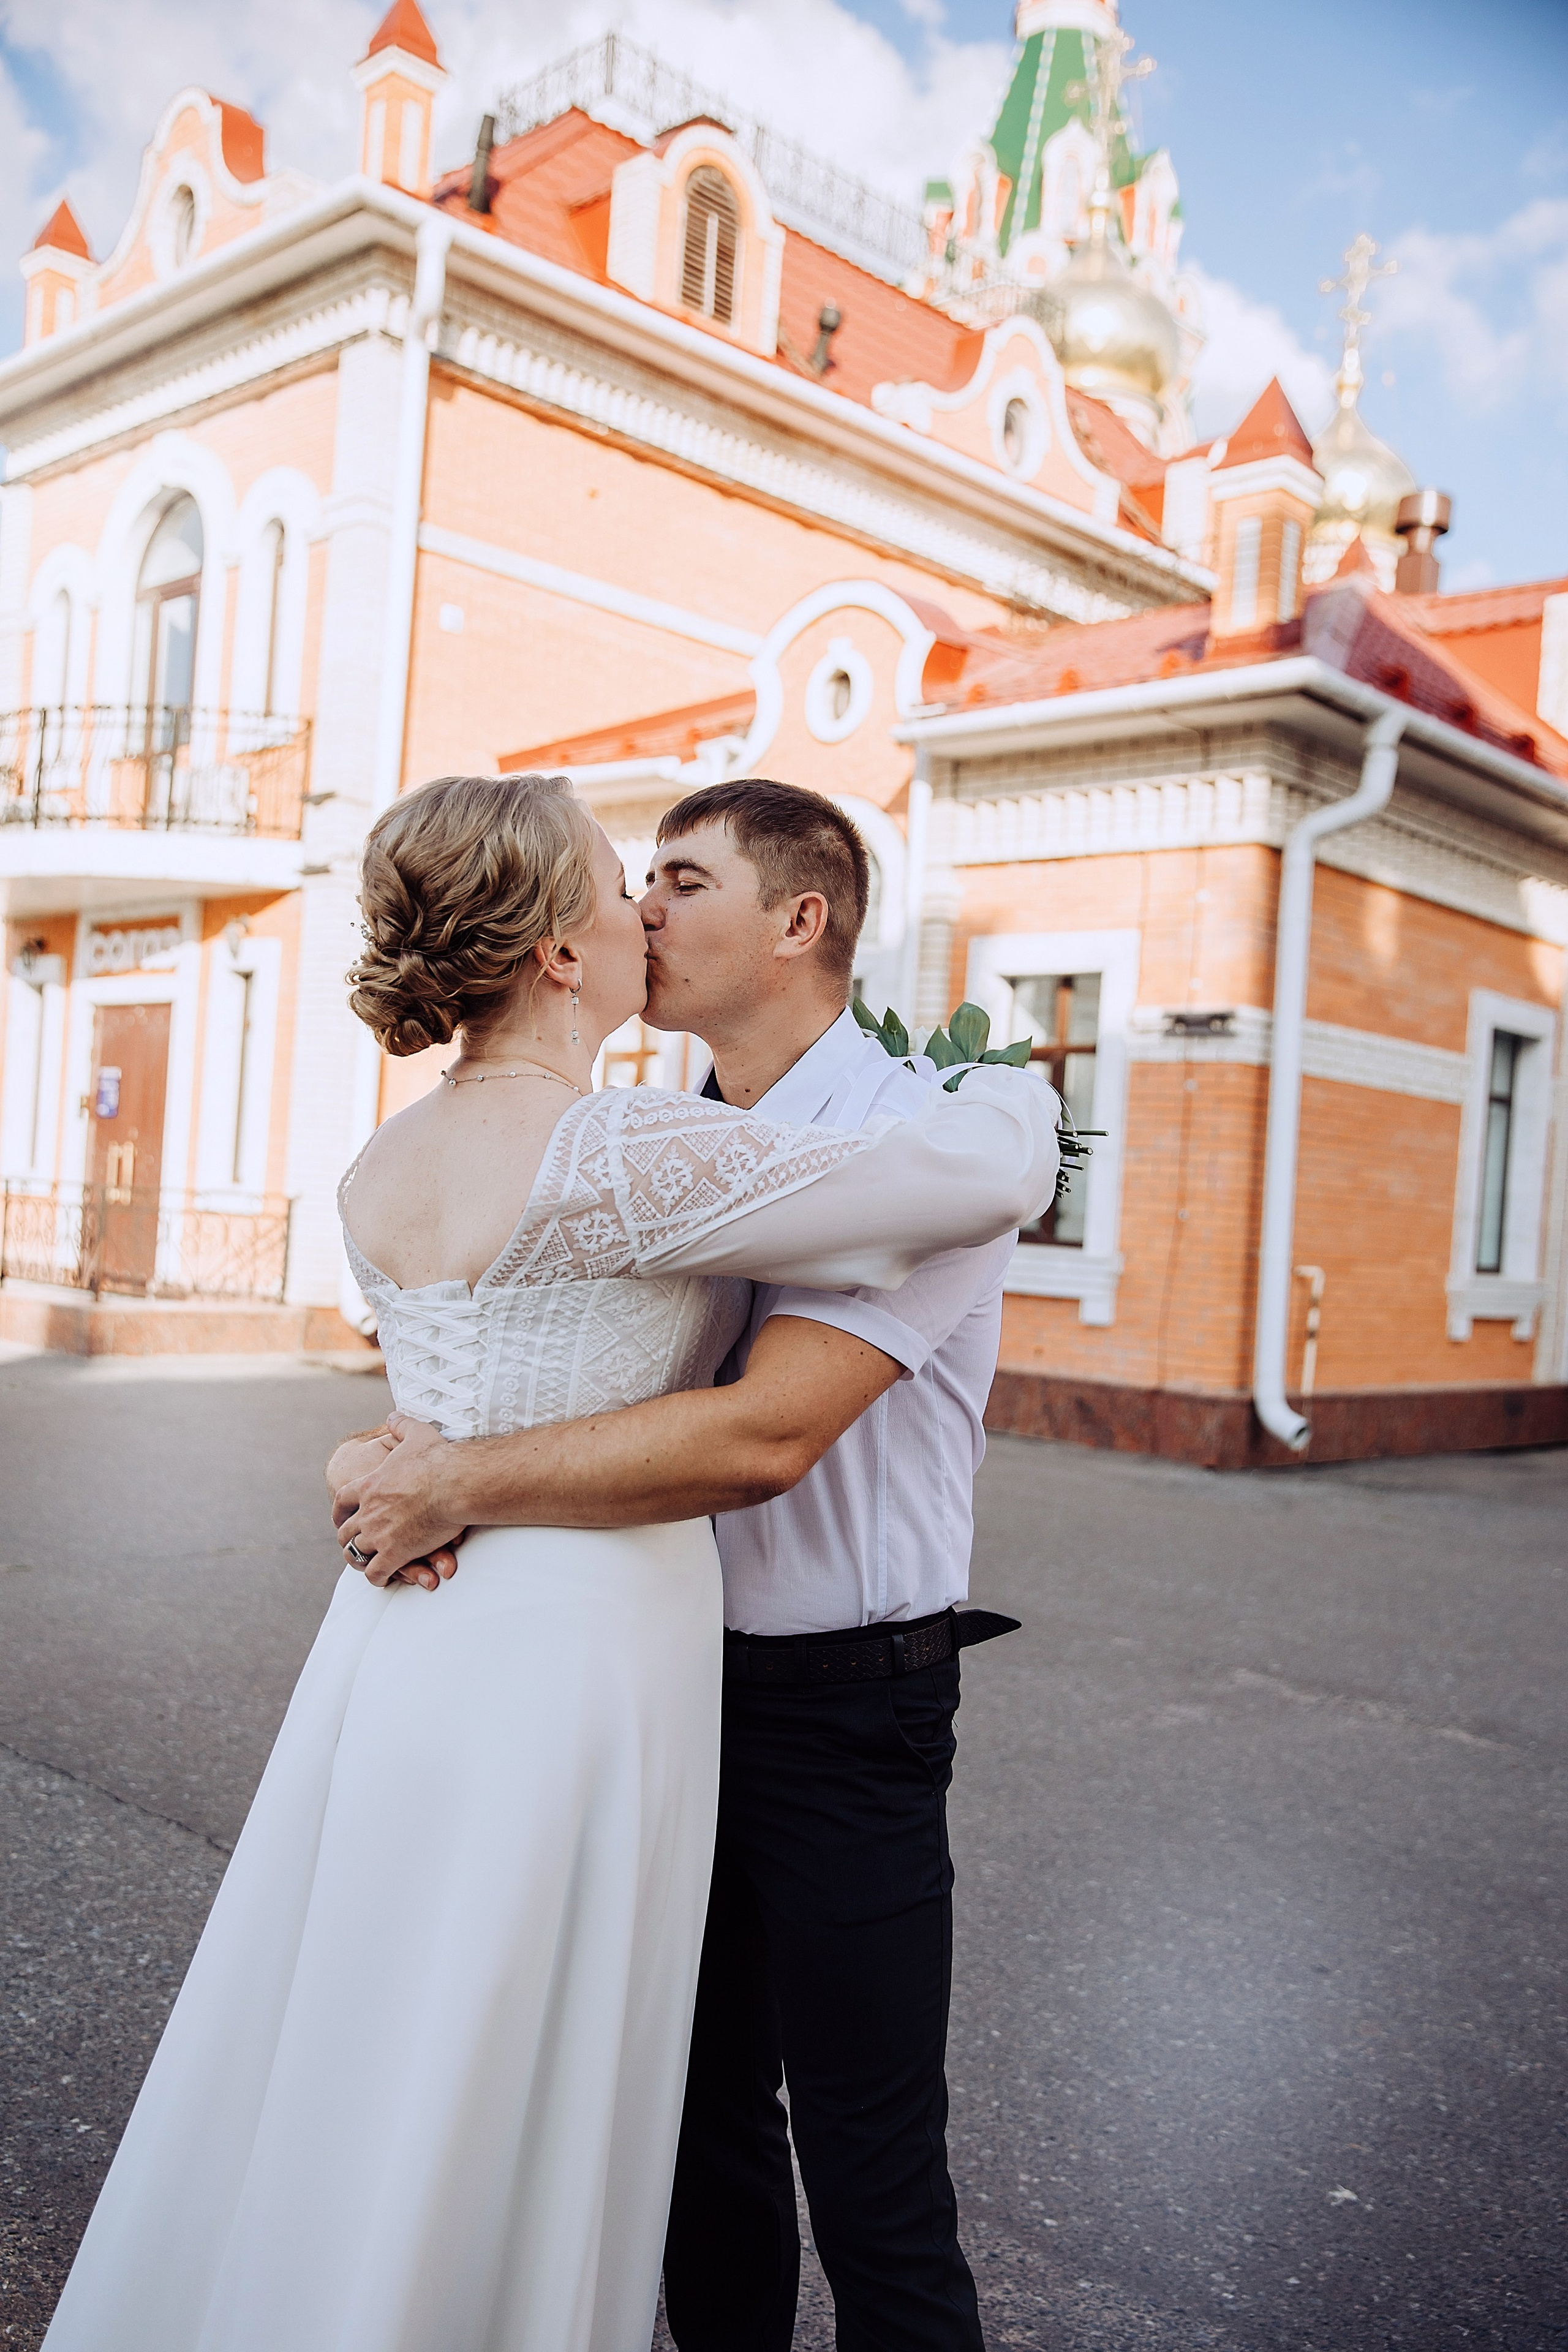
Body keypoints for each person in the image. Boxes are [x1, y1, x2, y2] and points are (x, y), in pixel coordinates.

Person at [43, 772, 1058, 2352]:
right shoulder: (648, 1144)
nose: (644, 907)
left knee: (539, 2077)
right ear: (556, 951)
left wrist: (424, 1472)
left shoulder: (411, 1162)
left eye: (677, 879)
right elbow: (466, 1387)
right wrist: (1021, 1109)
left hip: (712, 1686)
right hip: (597, 1664)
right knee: (627, 2111)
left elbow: (750, 1435)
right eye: (622, 880)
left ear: (800, 919)